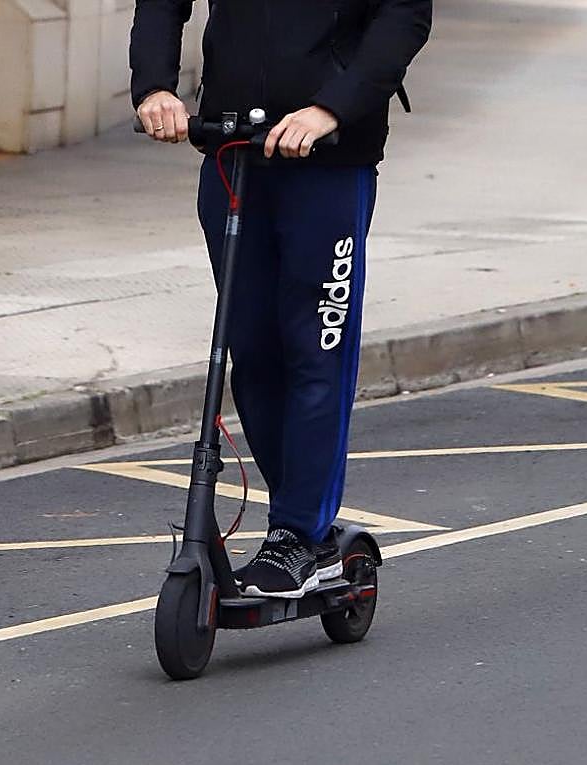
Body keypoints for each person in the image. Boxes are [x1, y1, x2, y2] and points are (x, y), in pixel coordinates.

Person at [130, 0, 432, 599]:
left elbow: (403, 17)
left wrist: (331, 107)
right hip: (232, 149)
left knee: (316, 351)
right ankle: (305, 528)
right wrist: (155, 87)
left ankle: (298, 533)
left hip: (329, 161)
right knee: (253, 353)